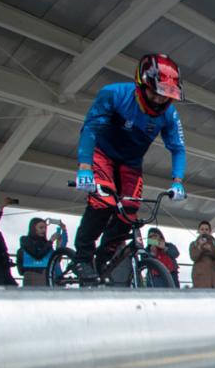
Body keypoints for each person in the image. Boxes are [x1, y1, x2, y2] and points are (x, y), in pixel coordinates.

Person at [72, 53, 187, 283]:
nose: (158, 100)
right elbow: (91, 128)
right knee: (102, 202)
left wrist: (177, 182)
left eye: (164, 96)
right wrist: (85, 168)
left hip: (132, 162)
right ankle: (82, 257)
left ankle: (104, 255)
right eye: (154, 93)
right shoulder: (114, 94)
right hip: (101, 154)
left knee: (130, 210)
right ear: (141, 84)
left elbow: (178, 149)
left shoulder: (170, 114)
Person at [16, 217, 67, 286]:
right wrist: (51, 241)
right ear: (33, 228)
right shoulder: (25, 240)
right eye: (41, 227)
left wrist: (59, 242)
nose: (44, 230)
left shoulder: (46, 244)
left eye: (45, 228)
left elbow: (55, 260)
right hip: (33, 276)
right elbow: (37, 255)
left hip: (49, 276)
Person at [189, 220, 215, 289]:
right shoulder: (193, 244)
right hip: (201, 279)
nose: (204, 231)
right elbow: (193, 257)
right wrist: (200, 247)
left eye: (206, 229)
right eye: (202, 229)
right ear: (198, 231)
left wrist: (210, 250)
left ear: (210, 231)